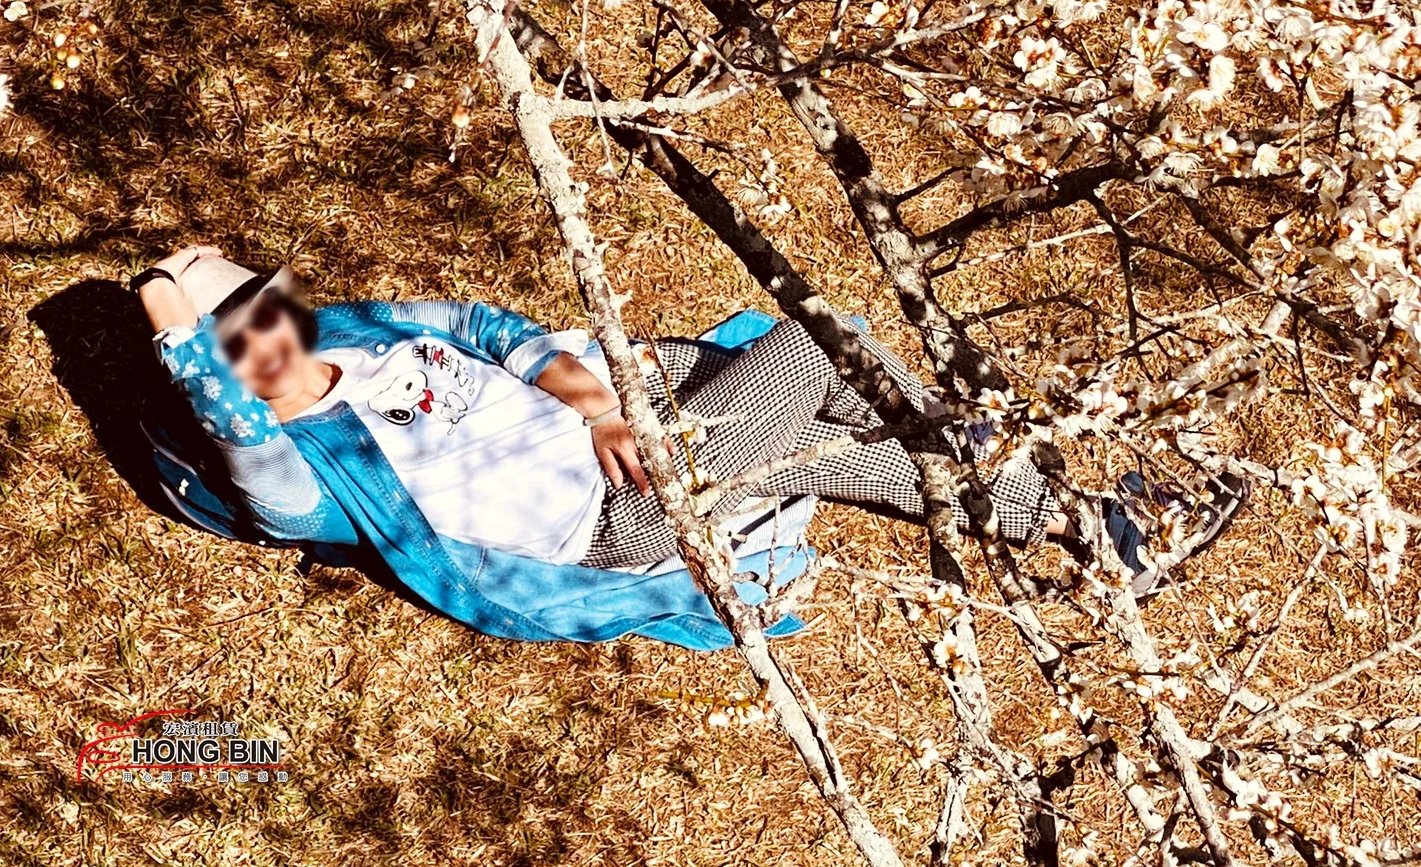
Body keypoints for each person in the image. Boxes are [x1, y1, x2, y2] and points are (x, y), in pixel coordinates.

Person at [133, 245, 1242, 648]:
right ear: (226, 384)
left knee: (812, 441)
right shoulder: (317, 475)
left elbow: (487, 329)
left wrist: (597, 405)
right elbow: (250, 457)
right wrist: (176, 328)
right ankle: (1043, 492)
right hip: (613, 521)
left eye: (264, 308)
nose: (271, 337)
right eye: (240, 346)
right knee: (820, 347)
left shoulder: (358, 336)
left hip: (634, 423)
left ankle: (1067, 516)